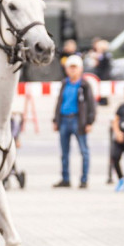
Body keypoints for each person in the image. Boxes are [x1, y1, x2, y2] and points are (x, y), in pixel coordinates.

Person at [53, 56, 95, 188]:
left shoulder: (84, 85)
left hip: (78, 120)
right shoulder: (64, 83)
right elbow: (59, 102)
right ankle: (65, 179)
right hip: (64, 119)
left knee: (84, 151)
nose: (72, 70)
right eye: (70, 67)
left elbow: (91, 105)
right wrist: (56, 120)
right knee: (64, 152)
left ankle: (84, 179)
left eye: (74, 67)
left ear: (80, 69)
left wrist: (89, 122)